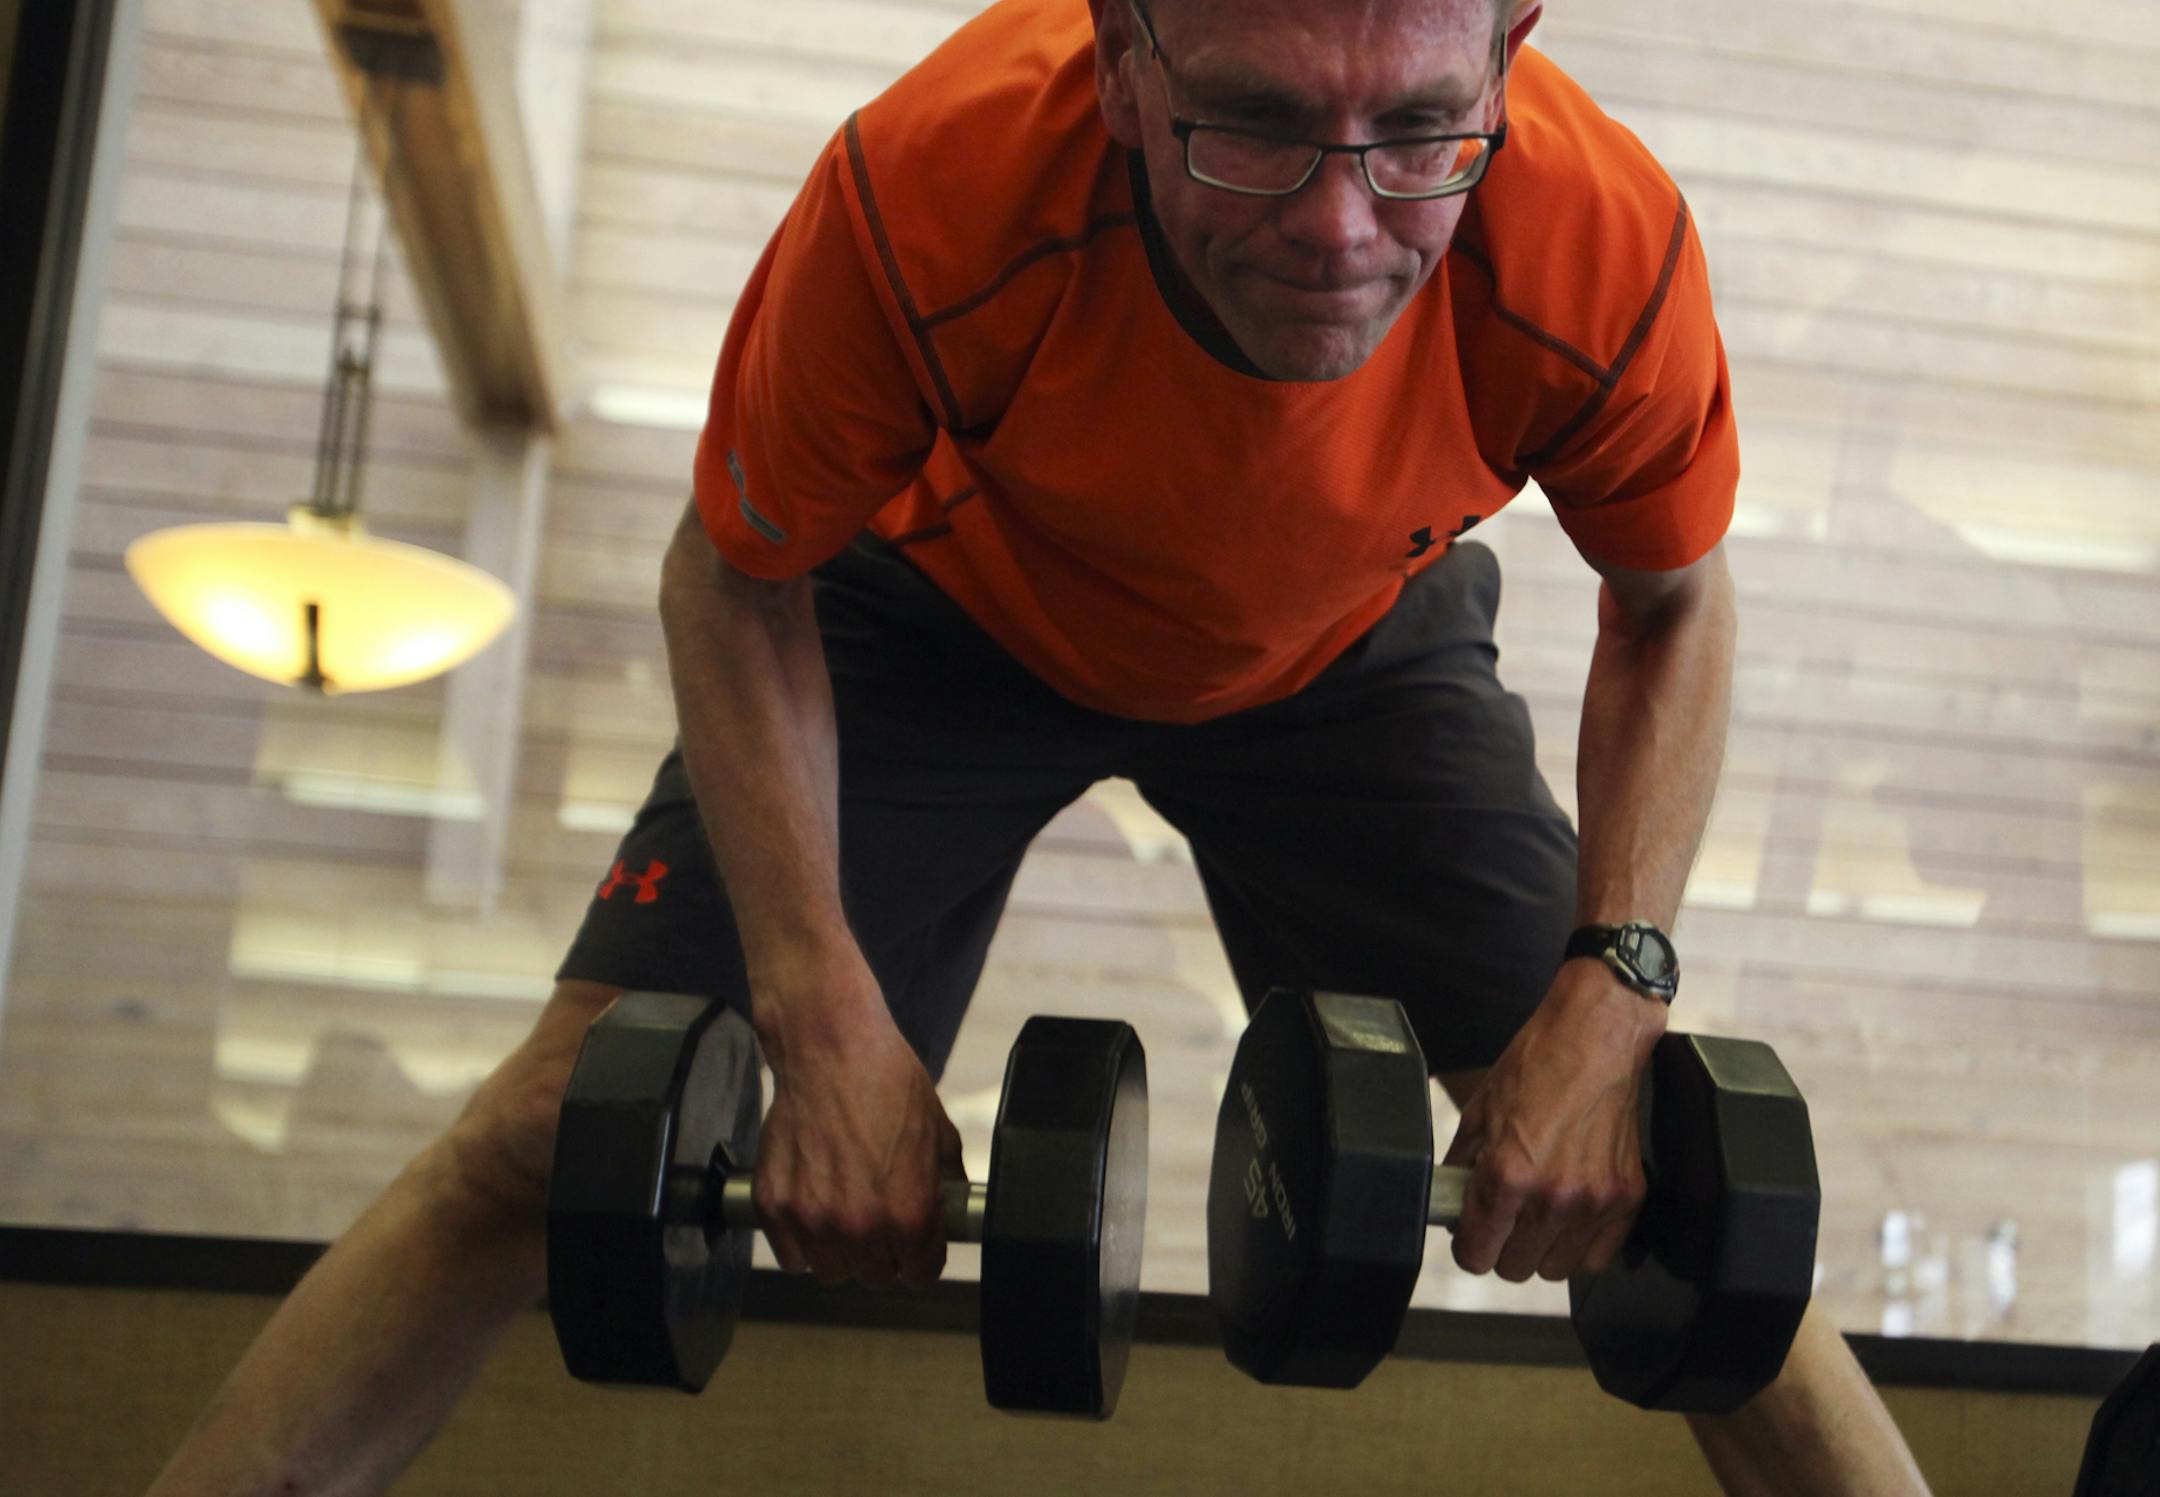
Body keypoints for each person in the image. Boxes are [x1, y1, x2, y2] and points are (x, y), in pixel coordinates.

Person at [149, 0, 1932, 1491]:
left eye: (1420, 130)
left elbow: (1675, 606)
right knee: (552, 1124)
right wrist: (814, 1002)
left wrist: (1610, 999)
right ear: (1121, 59)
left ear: (1510, 53)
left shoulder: (1595, 242)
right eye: (1250, 122)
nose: (1340, 227)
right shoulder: (930, 192)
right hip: (935, 613)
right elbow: (731, 577)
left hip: (1342, 651)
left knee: (1690, 1190)